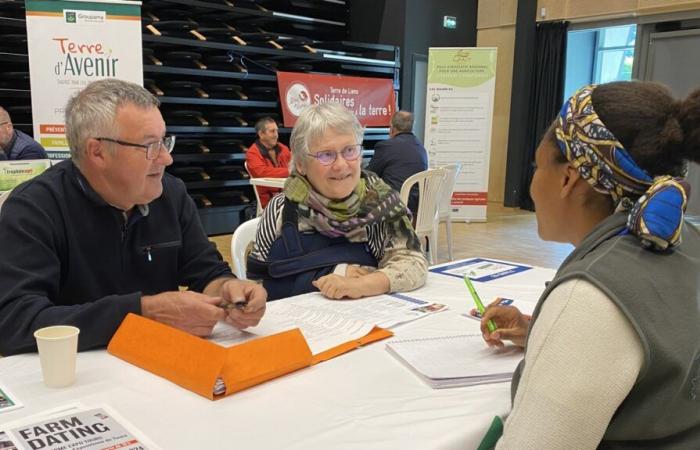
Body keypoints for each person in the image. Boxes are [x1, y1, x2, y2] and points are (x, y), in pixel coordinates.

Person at [477, 82, 700, 448]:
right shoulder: (685, 241)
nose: (532, 183)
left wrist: (568, 327)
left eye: (538, 165)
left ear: (568, 178)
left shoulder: (590, 296)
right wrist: (536, 331)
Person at [0, 79, 266, 356]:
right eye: (150, 146)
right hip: (77, 380)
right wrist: (143, 313)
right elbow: (14, 322)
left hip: (164, 369)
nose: (166, 158)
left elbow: (206, 272)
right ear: (98, 152)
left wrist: (229, 290)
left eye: (164, 142)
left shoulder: (171, 195)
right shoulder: (34, 208)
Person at [247, 102, 427, 301]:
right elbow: (258, 280)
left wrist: (360, 285)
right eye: (326, 155)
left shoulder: (379, 204)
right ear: (301, 164)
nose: (341, 165)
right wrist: (336, 272)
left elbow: (413, 262)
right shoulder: (282, 209)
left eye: (350, 150)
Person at [366, 111, 427, 215]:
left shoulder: (386, 146)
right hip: (418, 208)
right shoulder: (421, 147)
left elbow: (369, 174)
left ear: (392, 127)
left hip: (394, 207)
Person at [245, 117, 292, 208]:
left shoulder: (283, 148)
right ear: (261, 134)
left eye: (277, 131)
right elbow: (262, 172)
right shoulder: (252, 153)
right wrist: (289, 171)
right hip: (268, 201)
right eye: (272, 131)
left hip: (288, 196)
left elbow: (294, 166)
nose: (276, 135)